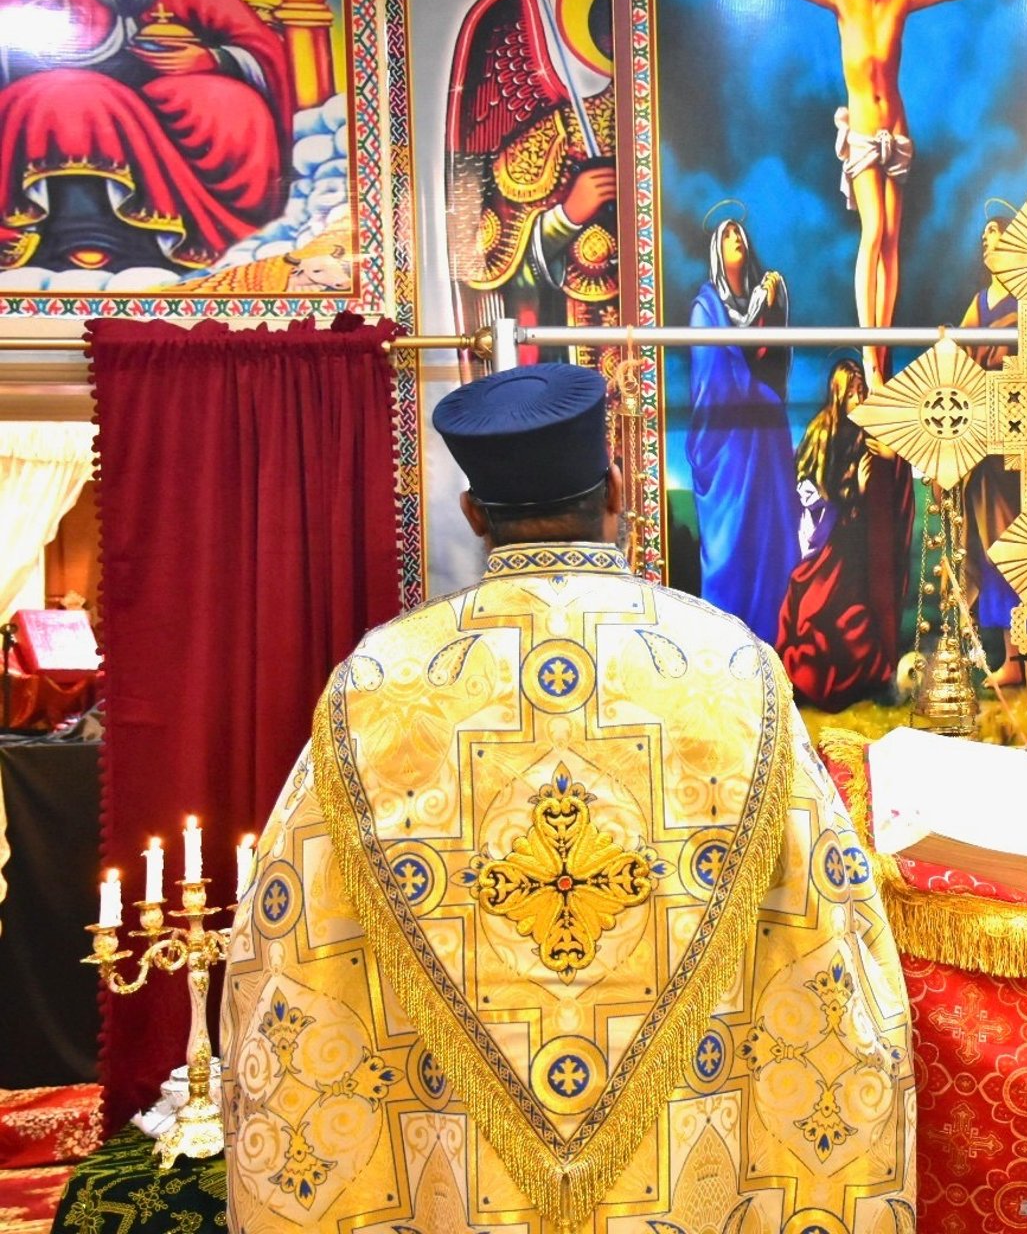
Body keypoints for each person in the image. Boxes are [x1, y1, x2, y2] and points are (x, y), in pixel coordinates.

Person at [221, 363, 916, 1232]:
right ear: (616, 492)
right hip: (686, 1133)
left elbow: (291, 951)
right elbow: (830, 923)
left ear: (475, 515)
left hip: (460, 1155)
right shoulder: (731, 671)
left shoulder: (379, 684)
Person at [718, 0, 1027, 384]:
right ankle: (869, 349)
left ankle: (881, 345)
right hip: (864, 137)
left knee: (891, 242)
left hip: (896, 134)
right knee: (874, 230)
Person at [0, 0, 295, 274]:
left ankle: (203, 241)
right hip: (69, 92)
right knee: (71, 96)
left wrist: (212, 59)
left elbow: (260, 47)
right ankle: (85, 234)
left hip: (166, 95)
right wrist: (36, 19)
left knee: (229, 102)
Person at [448, 0, 619, 374]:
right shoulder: (559, 129)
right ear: (604, 40)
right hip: (581, 334)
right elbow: (498, 256)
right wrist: (567, 217)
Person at [686, 213, 800, 643]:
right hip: (728, 441)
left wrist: (770, 309)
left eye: (739, 231)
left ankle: (775, 638)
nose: (736, 237)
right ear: (717, 248)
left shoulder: (760, 297)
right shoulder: (706, 308)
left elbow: (769, 359)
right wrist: (753, 318)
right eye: (727, 233)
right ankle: (726, 643)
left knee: (770, 531)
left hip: (764, 435)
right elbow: (711, 373)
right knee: (731, 542)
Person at [777, 356, 915, 711]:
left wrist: (875, 478)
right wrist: (854, 488)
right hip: (829, 540)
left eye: (863, 392)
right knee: (812, 602)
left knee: (853, 618)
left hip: (855, 547)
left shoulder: (867, 433)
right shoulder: (822, 431)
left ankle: (862, 680)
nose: (859, 400)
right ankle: (809, 679)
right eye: (852, 393)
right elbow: (811, 486)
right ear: (838, 395)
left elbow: (890, 474)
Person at [956, 207, 1021, 662]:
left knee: (1019, 545)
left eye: (996, 233)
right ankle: (1010, 658)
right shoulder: (979, 303)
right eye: (984, 236)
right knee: (989, 545)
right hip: (984, 442)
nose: (988, 239)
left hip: (1018, 442)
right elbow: (957, 358)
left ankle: (1026, 654)